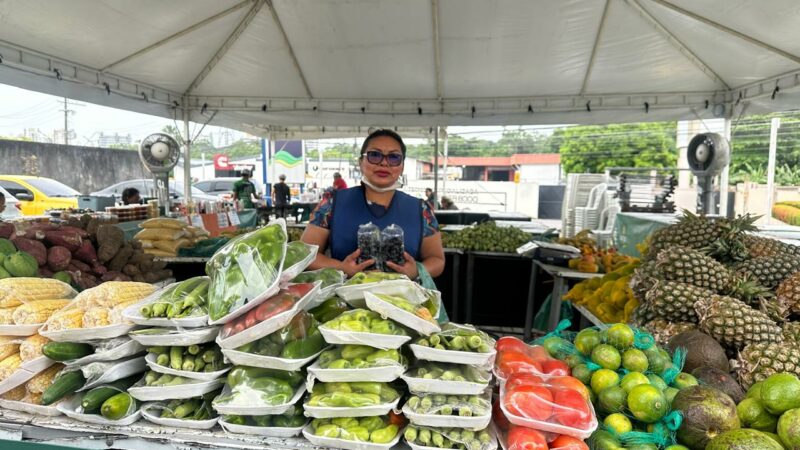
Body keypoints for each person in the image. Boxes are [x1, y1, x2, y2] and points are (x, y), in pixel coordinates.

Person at [302, 129, 445, 283]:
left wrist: (416, 270)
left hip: (402, 303)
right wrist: (341, 268)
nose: (384, 163)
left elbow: (437, 260)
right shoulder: (332, 203)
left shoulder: (421, 210)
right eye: (375, 155)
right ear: (360, 162)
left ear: (402, 166)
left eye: (394, 157)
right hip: (343, 302)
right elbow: (304, 253)